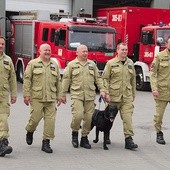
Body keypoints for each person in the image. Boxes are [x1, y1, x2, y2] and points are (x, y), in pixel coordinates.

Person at [61, 44, 106, 149]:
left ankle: (84, 138)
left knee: (88, 118)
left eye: (86, 51)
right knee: (78, 116)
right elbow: (66, 80)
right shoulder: (72, 65)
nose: (85, 53)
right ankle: (75, 133)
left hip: (90, 95)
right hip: (77, 95)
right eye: (83, 51)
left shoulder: (92, 65)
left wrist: (102, 90)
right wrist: (62, 94)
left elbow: (98, 78)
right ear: (77, 53)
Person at [23, 43, 62, 153]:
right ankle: (30, 130)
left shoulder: (54, 64)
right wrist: (26, 95)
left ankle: (46, 142)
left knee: (50, 121)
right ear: (40, 51)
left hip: (50, 98)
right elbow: (27, 80)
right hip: (37, 97)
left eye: (49, 50)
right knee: (34, 119)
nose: (48, 52)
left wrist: (60, 95)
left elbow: (58, 81)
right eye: (45, 50)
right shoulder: (33, 63)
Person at [102, 42, 138, 150]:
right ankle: (106, 134)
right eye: (122, 50)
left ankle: (129, 139)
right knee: (109, 119)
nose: (124, 52)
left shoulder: (131, 63)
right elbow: (105, 79)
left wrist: (133, 94)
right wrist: (106, 93)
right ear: (117, 50)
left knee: (127, 118)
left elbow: (133, 80)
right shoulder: (111, 63)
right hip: (113, 97)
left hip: (126, 97)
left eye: (126, 50)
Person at [150, 36, 170, 145]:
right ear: (166, 44)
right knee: (159, 116)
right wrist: (154, 88)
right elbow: (153, 74)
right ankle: (159, 133)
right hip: (162, 91)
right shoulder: (160, 56)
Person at [0, 36, 17, 156]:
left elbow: (12, 78)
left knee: (4, 119)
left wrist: (14, 94)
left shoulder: (8, 60)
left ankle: (3, 143)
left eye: (2, 44)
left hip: (3, 95)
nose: (1, 46)